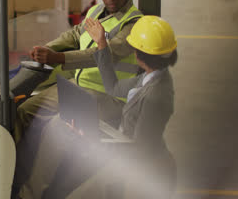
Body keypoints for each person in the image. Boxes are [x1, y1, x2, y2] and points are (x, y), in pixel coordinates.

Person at [17, 16, 178, 198]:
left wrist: (91, 141)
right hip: (128, 148)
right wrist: (102, 44)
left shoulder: (156, 96)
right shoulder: (151, 77)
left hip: (142, 168)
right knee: (63, 183)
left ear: (141, 53)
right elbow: (113, 87)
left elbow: (138, 149)